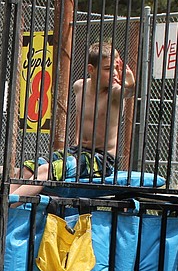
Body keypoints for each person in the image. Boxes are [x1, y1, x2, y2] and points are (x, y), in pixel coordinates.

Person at [47, 41, 136, 179]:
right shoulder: (79, 87)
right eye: (107, 69)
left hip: (103, 159)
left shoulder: (114, 93)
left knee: (49, 170)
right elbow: (79, 117)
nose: (113, 73)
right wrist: (76, 144)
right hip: (79, 151)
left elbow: (129, 92)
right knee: (31, 166)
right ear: (91, 69)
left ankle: (9, 200)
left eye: (116, 68)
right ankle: (9, 199)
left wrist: (130, 83)